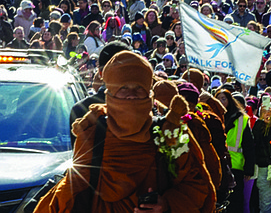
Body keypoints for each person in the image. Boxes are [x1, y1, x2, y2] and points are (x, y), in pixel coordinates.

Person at [35, 51, 217, 212]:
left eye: (139, 88)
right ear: (110, 93)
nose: (132, 94)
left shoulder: (169, 133)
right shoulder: (93, 133)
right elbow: (74, 189)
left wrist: (167, 204)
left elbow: (197, 186)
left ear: (149, 94)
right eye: (123, 88)